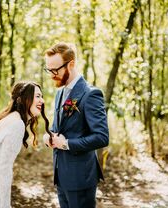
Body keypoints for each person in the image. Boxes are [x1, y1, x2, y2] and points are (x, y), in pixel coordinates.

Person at [43, 42, 109, 208]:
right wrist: (49, 135)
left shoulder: (91, 94)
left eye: (55, 70)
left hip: (81, 179)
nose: (51, 75)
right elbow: (58, 128)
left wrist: (65, 144)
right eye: (48, 70)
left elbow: (101, 137)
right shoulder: (60, 93)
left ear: (71, 64)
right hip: (61, 175)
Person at [0, 81, 52, 208]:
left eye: (42, 96)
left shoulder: (12, 118)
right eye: (37, 96)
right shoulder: (17, 124)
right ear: (23, 99)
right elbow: (4, 169)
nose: (42, 101)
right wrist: (5, 205)